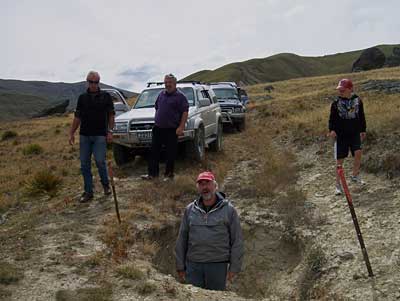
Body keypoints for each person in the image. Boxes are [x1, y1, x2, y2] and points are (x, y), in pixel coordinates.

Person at [175, 171, 244, 291]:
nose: (205, 187)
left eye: (207, 183)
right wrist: (180, 266)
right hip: (193, 266)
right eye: (201, 184)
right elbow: (182, 239)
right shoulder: (190, 210)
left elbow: (237, 241)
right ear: (198, 188)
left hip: (218, 266)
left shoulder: (229, 210)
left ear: (215, 186)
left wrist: (234, 268)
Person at [69, 71, 115, 202]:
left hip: (100, 135)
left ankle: (106, 186)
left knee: (100, 161)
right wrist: (71, 133)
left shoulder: (106, 96)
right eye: (91, 82)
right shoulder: (82, 98)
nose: (93, 84)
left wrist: (110, 131)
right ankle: (88, 192)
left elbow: (111, 115)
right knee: (84, 164)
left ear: (99, 82)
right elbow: (77, 117)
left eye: (96, 82)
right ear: (87, 82)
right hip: (85, 136)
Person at [142, 74, 189, 181]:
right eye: (166, 82)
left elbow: (185, 112)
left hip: (172, 129)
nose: (167, 84)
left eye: (170, 82)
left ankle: (169, 175)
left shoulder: (180, 97)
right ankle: (152, 174)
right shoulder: (161, 94)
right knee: (154, 151)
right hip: (158, 128)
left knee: (170, 153)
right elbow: (157, 107)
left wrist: (181, 127)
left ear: (175, 84)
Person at [329, 79, 367, 195]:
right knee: (340, 161)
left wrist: (363, 130)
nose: (340, 91)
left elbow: (361, 116)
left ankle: (355, 175)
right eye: (339, 89)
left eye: (342, 89)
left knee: (358, 152)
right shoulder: (335, 103)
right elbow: (332, 119)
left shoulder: (358, 101)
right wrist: (332, 130)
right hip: (341, 135)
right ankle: (338, 185)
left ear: (350, 89)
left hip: (355, 133)